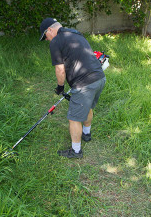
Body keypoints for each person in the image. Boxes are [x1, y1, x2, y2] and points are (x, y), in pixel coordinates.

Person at [39, 18, 106, 159]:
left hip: (85, 83)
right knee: (87, 107)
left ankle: (76, 151)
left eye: (45, 36)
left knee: (74, 118)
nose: (47, 40)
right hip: (99, 77)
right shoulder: (75, 33)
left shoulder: (56, 41)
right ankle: (86, 134)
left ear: (50, 30)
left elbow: (60, 69)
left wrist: (60, 87)